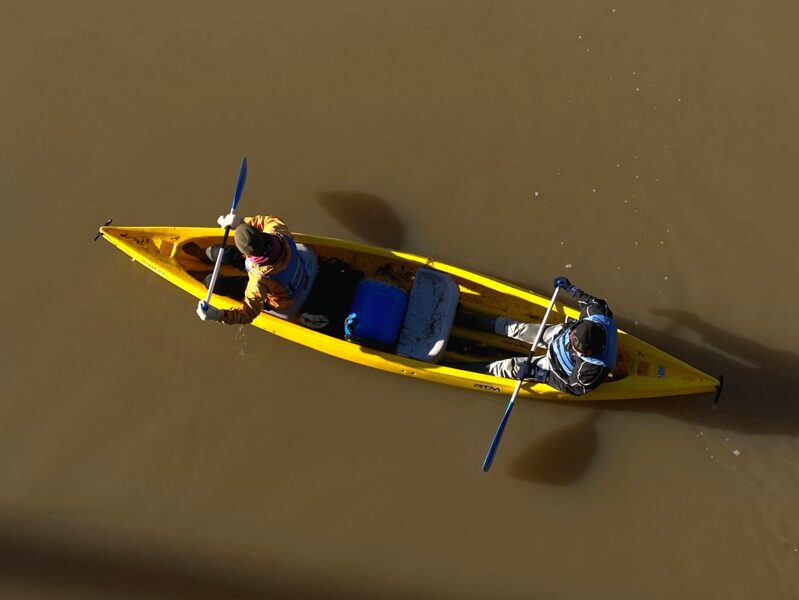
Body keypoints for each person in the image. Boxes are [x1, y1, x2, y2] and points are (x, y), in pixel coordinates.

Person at [456, 277, 618, 396]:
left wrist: (539, 374)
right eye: (574, 345)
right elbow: (588, 301)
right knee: (514, 328)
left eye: (582, 353)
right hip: (559, 335)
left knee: (507, 367)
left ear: (593, 351)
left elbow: (573, 388)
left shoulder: (593, 369)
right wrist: (570, 288)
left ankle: (455, 369)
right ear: (575, 331)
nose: (577, 352)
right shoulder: (598, 312)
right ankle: (466, 319)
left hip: (555, 367)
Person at [195, 214, 308, 325]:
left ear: (246, 254)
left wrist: (219, 316)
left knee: (212, 282)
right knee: (216, 252)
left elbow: (249, 313)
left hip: (278, 297)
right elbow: (266, 220)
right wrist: (240, 221)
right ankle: (208, 255)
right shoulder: (278, 229)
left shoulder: (258, 283)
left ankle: (201, 273)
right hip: (285, 271)